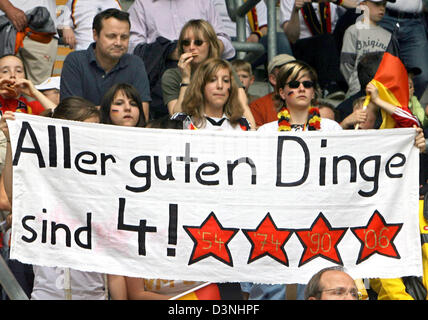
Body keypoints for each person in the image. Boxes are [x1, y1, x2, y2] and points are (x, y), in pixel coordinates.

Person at [0, 97, 126, 299]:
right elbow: (17, 198)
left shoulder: (104, 183)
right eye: (84, 131)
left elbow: (112, 261)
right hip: (46, 294)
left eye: (96, 129)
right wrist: (10, 141)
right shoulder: (43, 177)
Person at [59, 8, 151, 121]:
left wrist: (92, 112)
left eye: (124, 37)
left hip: (123, 135)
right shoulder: (75, 61)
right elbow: (70, 115)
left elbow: (143, 115)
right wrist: (118, 113)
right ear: (95, 35)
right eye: (111, 36)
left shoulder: (135, 64)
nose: (118, 43)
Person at [161, 19, 255, 129]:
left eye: (198, 42)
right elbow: (177, 118)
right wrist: (185, 78)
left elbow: (242, 106)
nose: (191, 47)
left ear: (210, 44)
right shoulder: (172, 75)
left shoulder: (225, 69)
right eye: (186, 43)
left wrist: (252, 134)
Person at [280, 0, 358, 100]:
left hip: (332, 46)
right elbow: (292, 37)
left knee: (354, 13)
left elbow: (361, 8)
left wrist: (337, 1)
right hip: (304, 47)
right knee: (325, 39)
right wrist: (295, 11)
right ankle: (330, 85)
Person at [127, 0, 235, 60]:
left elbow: (223, 40)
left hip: (203, 69)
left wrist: (213, 48)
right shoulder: (142, 4)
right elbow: (133, 48)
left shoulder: (203, 1)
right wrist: (167, 52)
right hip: (161, 70)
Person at [258, 59, 343, 132]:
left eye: (307, 84)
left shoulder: (331, 128)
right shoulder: (267, 131)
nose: (302, 89)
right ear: (282, 93)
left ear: (313, 93)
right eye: (294, 84)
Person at [171, 58, 250, 131]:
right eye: (212, 80)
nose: (220, 86)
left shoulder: (242, 124)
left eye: (225, 80)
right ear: (201, 85)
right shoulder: (182, 121)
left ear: (231, 87)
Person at [213, 0, 293, 68]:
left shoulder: (255, 1)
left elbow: (266, 27)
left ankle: (290, 79)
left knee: (279, 38)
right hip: (217, 44)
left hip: (247, 44)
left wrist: (257, 35)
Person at [340, 0, 393, 98]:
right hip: (357, 90)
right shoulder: (353, 30)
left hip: (381, 91)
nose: (382, 8)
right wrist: (354, 84)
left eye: (384, 5)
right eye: (377, 4)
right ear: (363, 5)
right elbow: (346, 63)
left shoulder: (388, 35)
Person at [0, 0, 58, 85]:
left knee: (39, 89)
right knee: (6, 88)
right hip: (5, 27)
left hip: (41, 30)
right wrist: (8, 8)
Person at [378, 0, 428, 98]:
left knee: (422, 76)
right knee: (378, 71)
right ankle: (379, 110)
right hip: (384, 16)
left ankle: (408, 109)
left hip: (414, 21)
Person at [249, 53, 296, 129]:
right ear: (273, 79)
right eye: (286, 72)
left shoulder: (306, 101)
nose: (292, 76)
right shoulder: (257, 107)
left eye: (295, 71)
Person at [57, 0, 122, 51]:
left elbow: (122, 28)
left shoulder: (115, 2)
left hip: (108, 55)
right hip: (83, 52)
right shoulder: (74, 1)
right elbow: (58, 22)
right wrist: (65, 27)